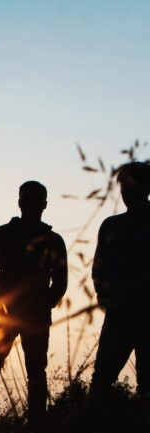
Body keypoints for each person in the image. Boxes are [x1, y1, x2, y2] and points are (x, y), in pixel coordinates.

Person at [0, 181, 67, 424]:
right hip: (4, 314)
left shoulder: (53, 240)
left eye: (37, 199)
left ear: (44, 204)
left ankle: (37, 422)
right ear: (19, 202)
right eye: (28, 198)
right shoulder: (4, 234)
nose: (32, 204)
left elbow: (60, 281)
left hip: (34, 315)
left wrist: (44, 304)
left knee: (35, 371)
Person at [90, 162, 150, 400]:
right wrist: (105, 298)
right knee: (101, 381)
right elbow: (99, 268)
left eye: (131, 185)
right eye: (123, 186)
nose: (126, 191)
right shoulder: (111, 225)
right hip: (118, 315)